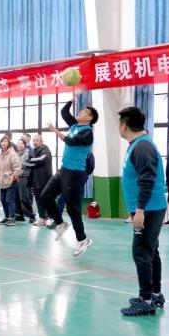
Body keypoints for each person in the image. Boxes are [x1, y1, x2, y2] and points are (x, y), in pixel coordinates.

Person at [116, 107, 168, 316]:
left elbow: (147, 180)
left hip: (149, 208)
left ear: (124, 126)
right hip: (149, 207)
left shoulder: (143, 146)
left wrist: (139, 211)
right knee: (151, 250)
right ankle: (155, 294)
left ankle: (145, 300)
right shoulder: (137, 144)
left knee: (141, 252)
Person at [42, 96, 97, 256]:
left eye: (84, 112)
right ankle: (60, 224)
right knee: (45, 196)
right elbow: (64, 112)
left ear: (90, 118)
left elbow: (71, 141)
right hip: (63, 170)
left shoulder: (88, 133)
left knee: (73, 209)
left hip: (75, 174)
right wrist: (71, 101)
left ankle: (82, 239)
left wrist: (55, 130)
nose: (80, 112)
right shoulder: (74, 125)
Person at [25, 133, 53, 225]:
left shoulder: (46, 150)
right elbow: (27, 163)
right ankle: (42, 218)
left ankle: (49, 217)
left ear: (42, 141)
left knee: (46, 198)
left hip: (44, 179)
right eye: (33, 140)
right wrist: (35, 162)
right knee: (38, 199)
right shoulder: (32, 151)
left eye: (37, 140)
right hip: (34, 180)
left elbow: (42, 160)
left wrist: (33, 160)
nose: (35, 142)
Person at [0, 136, 21, 226]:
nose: (3, 143)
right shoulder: (0, 155)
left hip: (11, 180)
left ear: (8, 143)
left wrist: (14, 177)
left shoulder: (12, 154)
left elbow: (17, 167)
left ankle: (12, 218)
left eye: (5, 141)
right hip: (2, 180)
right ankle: (7, 217)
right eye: (2, 141)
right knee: (3, 199)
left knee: (9, 199)